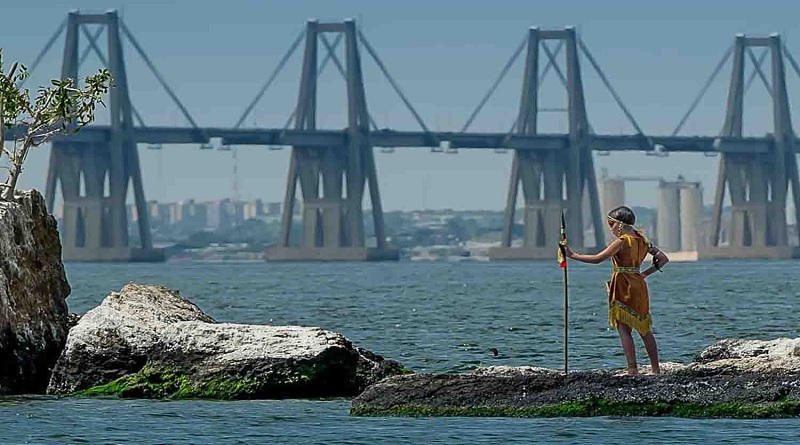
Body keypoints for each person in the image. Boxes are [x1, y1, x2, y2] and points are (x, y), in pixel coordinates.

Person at [562, 206, 669, 376]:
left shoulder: (622, 241)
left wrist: (572, 255)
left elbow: (598, 259)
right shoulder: (643, 240)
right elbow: (663, 258)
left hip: (622, 284)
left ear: (619, 225)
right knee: (644, 327)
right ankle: (655, 369)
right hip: (639, 284)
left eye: (611, 224)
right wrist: (644, 274)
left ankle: (632, 369)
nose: (610, 228)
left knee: (624, 328)